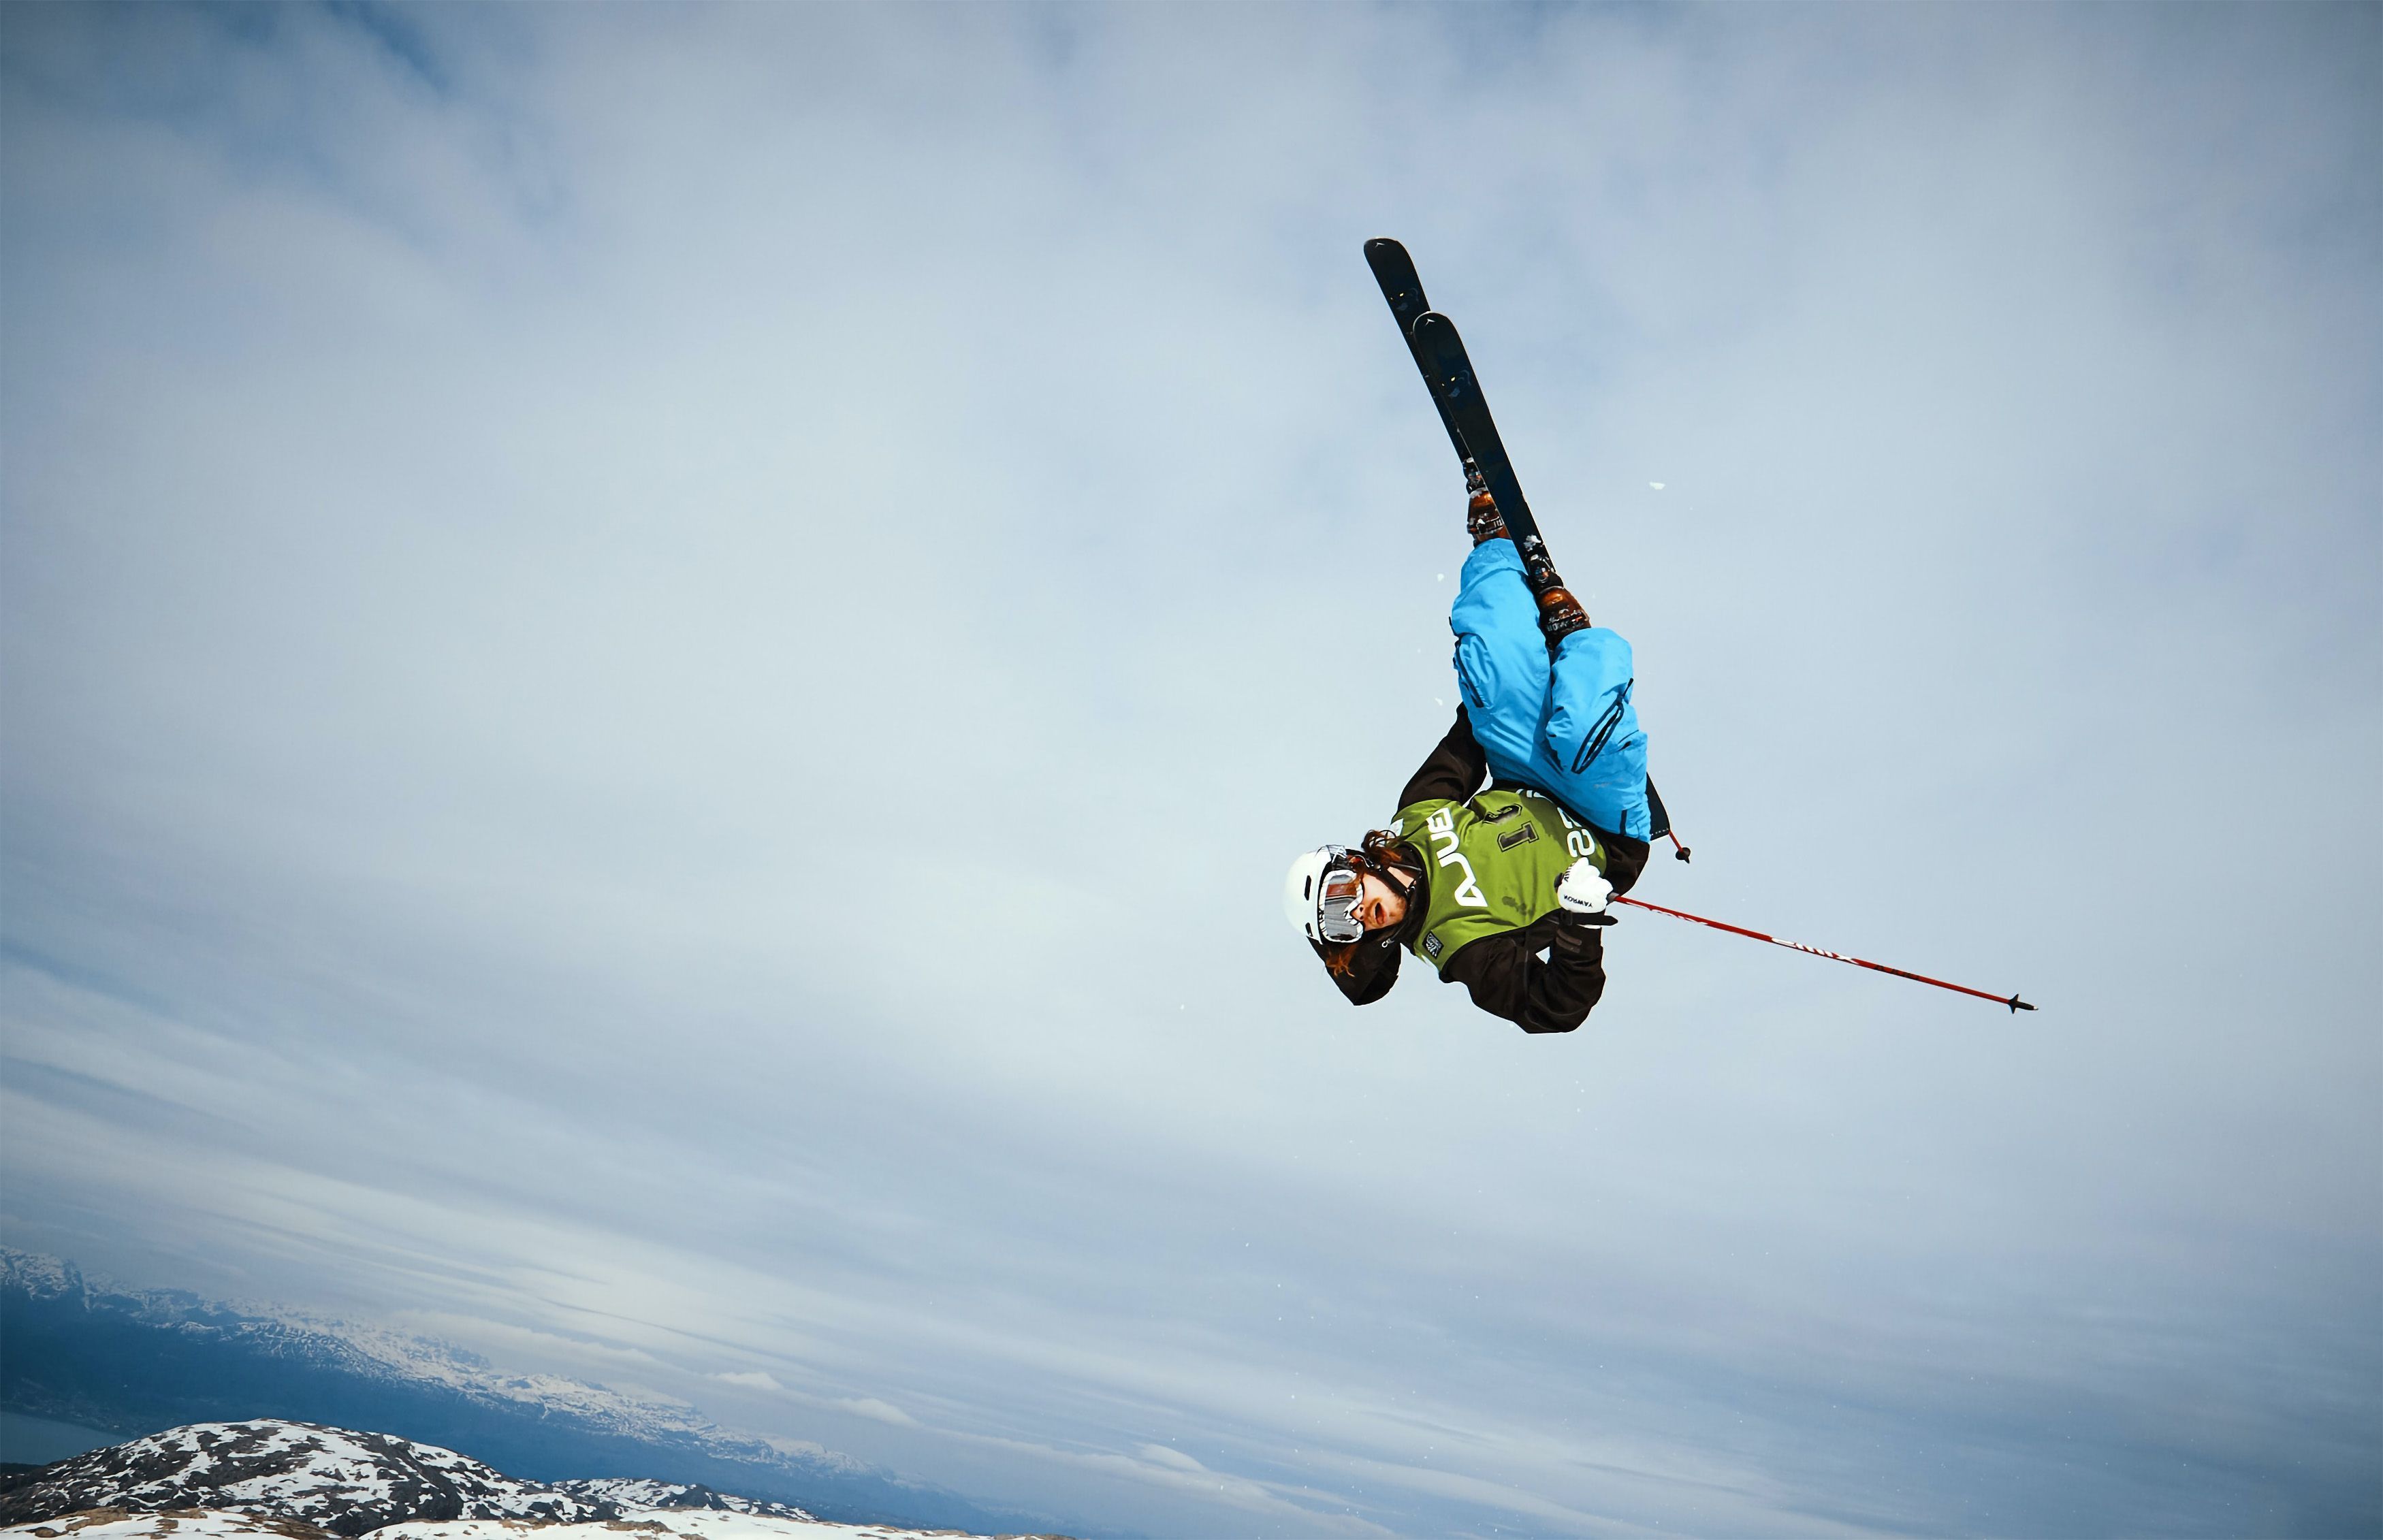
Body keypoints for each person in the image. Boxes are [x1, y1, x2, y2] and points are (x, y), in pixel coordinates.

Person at [1283, 491, 1658, 1033]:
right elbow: (1553, 1008)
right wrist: (1580, 923)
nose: (1358, 915)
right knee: (1580, 734)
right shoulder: (1459, 945)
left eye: (1342, 896)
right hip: (1605, 829)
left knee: (1490, 679)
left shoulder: (1415, 816)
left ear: (1356, 866)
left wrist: (1501, 686)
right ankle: (1578, 641)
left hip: (1530, 781)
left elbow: (1470, 735)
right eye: (1342, 929)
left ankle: (1495, 546)